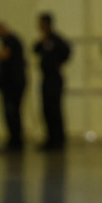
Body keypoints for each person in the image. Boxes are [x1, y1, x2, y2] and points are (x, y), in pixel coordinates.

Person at [33, 13, 71, 151]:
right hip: (46, 78)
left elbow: (67, 51)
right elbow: (35, 49)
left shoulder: (56, 39)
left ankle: (58, 140)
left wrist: (58, 62)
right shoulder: (44, 40)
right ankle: (50, 138)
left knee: (55, 110)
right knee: (46, 110)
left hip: (54, 78)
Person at [0, 21, 27, 153]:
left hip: (13, 85)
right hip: (11, 84)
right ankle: (14, 139)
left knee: (12, 112)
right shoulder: (10, 41)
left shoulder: (11, 40)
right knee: (11, 113)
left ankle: (15, 141)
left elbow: (5, 55)